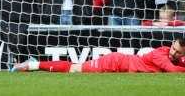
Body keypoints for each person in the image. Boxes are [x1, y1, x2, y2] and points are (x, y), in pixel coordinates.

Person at [12, 38, 185, 73]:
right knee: (75, 69)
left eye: (178, 52)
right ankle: (33, 64)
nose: (174, 53)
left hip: (120, 66)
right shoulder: (161, 54)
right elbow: (173, 70)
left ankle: (34, 64)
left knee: (75, 68)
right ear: (171, 45)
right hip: (114, 63)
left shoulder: (176, 58)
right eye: (173, 49)